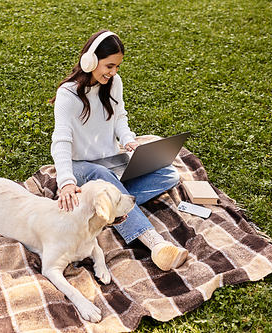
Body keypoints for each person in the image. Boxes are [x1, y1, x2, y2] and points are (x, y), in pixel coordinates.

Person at [50, 30, 188, 271]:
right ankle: (155, 244)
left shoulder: (114, 83)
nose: (113, 72)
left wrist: (129, 141)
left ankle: (107, 206)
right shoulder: (67, 95)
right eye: (109, 66)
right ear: (90, 61)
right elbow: (60, 141)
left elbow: (119, 118)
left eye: (116, 67)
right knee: (102, 176)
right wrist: (66, 183)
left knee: (169, 174)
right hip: (83, 169)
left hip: (112, 163)